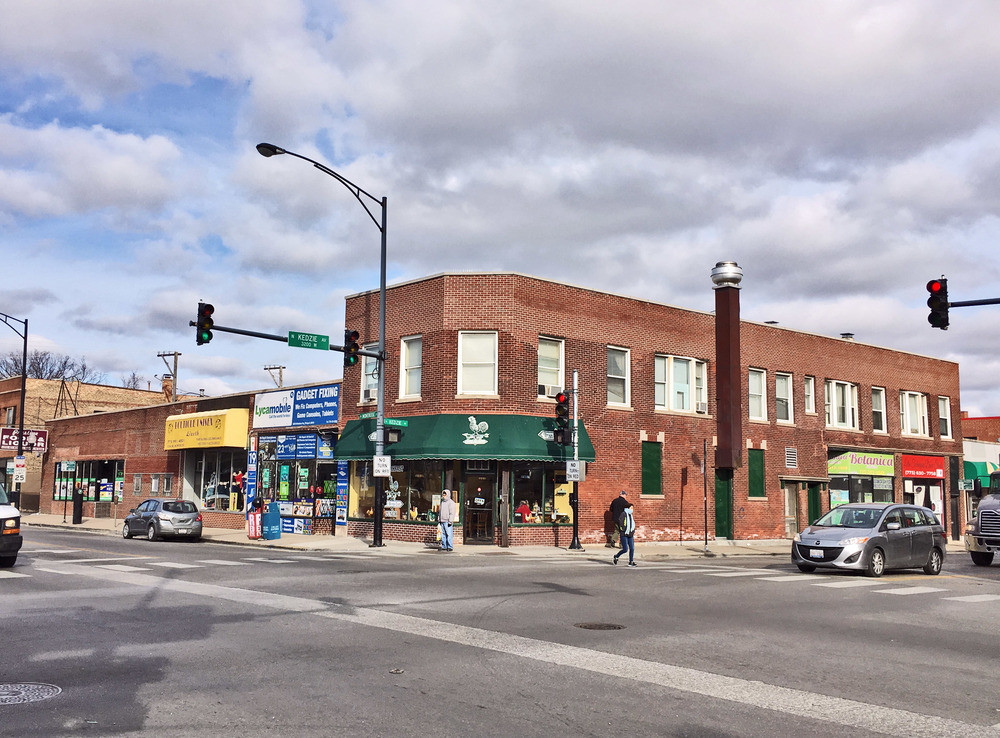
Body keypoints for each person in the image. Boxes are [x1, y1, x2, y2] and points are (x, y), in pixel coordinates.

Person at [613, 500, 637, 567]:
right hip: (624, 534)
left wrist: (632, 531)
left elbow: (632, 524)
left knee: (632, 548)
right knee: (625, 549)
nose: (632, 509)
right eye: (631, 508)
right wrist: (623, 530)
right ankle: (616, 556)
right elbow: (621, 523)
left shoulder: (630, 515)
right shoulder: (623, 514)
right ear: (628, 508)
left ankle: (631, 561)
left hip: (630, 534)